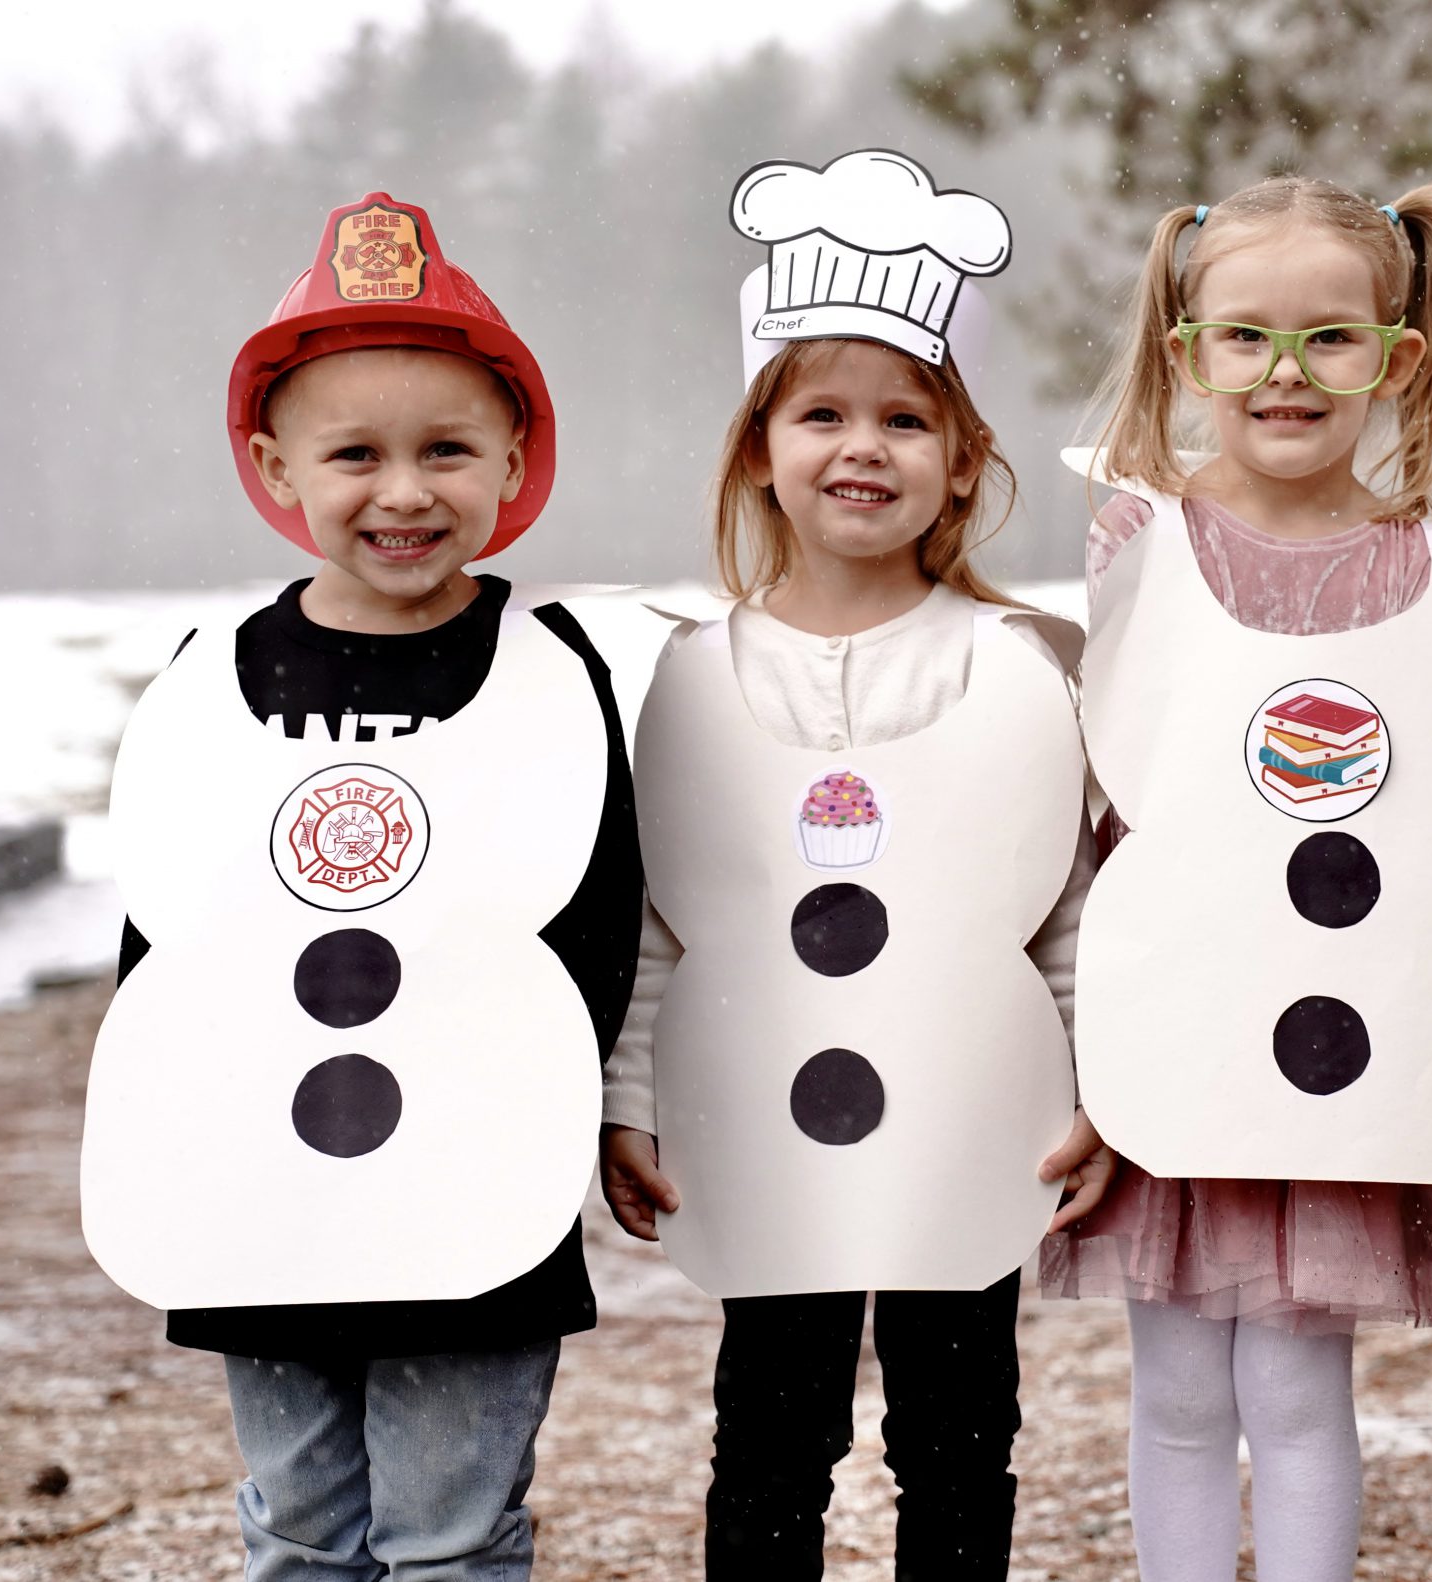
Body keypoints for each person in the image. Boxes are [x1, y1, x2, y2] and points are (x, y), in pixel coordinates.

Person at [80, 194, 643, 1580]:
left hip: (472, 1183)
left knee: (451, 1533)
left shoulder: (546, 673)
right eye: (356, 454)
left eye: (446, 448)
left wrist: (581, 1111)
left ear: (513, 458)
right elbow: (165, 930)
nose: (404, 491)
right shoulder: (217, 682)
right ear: (279, 464)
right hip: (261, 1192)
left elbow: (600, 913)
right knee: (297, 1527)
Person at [598, 149, 1110, 1582]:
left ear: (960, 456)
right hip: (761, 1106)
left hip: (965, 1107)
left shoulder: (1014, 669)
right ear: (761, 445)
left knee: (958, 1437)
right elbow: (671, 921)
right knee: (770, 1436)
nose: (861, 447)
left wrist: (1084, 1087)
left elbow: (1053, 911)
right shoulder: (699, 675)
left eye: (903, 417)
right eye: (822, 413)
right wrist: (633, 1101)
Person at [1045, 175, 1432, 1582]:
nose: (1287, 373)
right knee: (1184, 1398)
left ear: (1400, 357)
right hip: (1175, 1044)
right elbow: (1103, 817)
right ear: (1187, 353)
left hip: (1339, 1048)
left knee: (1300, 1399)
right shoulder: (1139, 552)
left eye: (1330, 337)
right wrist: (1085, 1056)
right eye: (1245, 337)